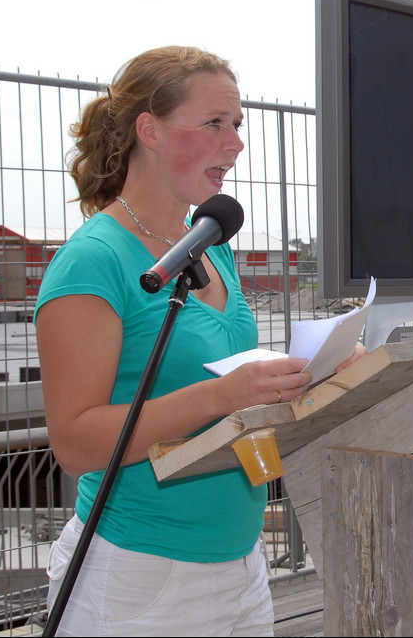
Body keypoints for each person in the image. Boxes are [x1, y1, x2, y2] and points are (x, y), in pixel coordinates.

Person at [35, 46, 362, 636]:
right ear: (148, 130)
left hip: (239, 564)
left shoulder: (211, 245)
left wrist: (313, 369)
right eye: (214, 123)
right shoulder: (92, 261)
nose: (235, 143)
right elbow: (75, 443)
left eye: (238, 125)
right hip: (138, 575)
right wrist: (223, 396)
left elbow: (224, 379)